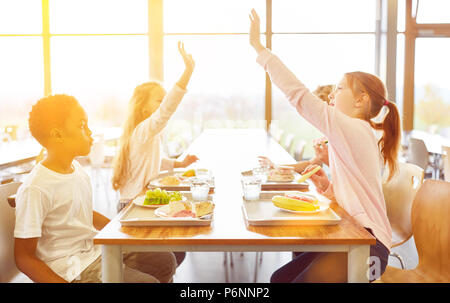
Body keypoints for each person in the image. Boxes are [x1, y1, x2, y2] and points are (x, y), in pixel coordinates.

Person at [249, 9, 401, 282]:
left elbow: (298, 95)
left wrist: (261, 50)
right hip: (355, 236)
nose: (332, 94)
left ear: (361, 100)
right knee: (279, 280)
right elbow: (358, 197)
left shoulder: (352, 126)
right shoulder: (356, 131)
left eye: (340, 88)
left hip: (370, 250)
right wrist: (329, 189)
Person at [14, 94, 178, 283]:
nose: (90, 132)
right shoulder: (36, 187)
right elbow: (24, 258)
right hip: (71, 269)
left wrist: (121, 231)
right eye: (82, 125)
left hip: (93, 251)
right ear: (57, 134)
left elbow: (82, 212)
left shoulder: (78, 171)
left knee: (164, 260)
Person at [112, 42, 198, 206]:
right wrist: (187, 72)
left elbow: (154, 159)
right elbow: (166, 110)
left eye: (164, 99)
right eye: (160, 100)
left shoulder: (146, 133)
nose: (164, 103)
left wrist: (180, 164)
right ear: (142, 107)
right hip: (132, 203)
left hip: (139, 199)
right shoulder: (141, 131)